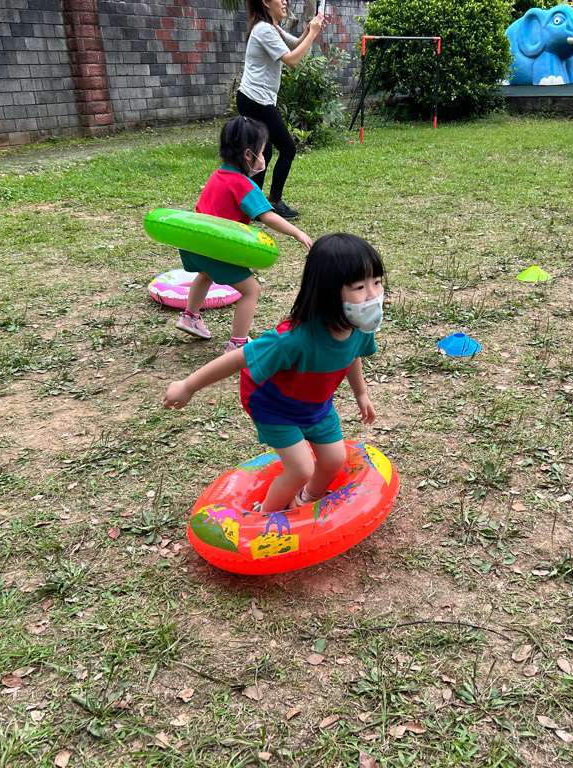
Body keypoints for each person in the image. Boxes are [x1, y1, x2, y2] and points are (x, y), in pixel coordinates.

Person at [164, 233, 384, 514]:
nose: (373, 295)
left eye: (377, 282)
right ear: (328, 290)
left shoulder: (359, 327)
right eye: (359, 287)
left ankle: (306, 498)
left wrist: (361, 393)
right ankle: (263, 515)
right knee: (301, 468)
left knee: (333, 460)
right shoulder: (293, 338)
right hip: (273, 404)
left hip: (315, 404)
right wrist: (188, 386)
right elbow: (238, 359)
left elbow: (352, 356)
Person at [177, 115, 312, 353]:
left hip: (194, 246)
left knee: (205, 275)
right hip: (216, 249)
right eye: (262, 152)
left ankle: (190, 317)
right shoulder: (244, 185)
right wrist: (297, 233)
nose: (263, 158)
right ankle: (237, 344)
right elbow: (268, 216)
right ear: (249, 155)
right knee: (252, 290)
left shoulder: (217, 175)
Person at [236, 0, 325, 220]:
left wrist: (308, 31)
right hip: (255, 101)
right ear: (266, 2)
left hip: (254, 99)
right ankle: (273, 202)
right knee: (287, 149)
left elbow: (294, 45)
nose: (284, 1)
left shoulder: (272, 28)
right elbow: (292, 60)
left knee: (263, 152)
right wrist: (313, 33)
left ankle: (253, 204)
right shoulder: (264, 30)